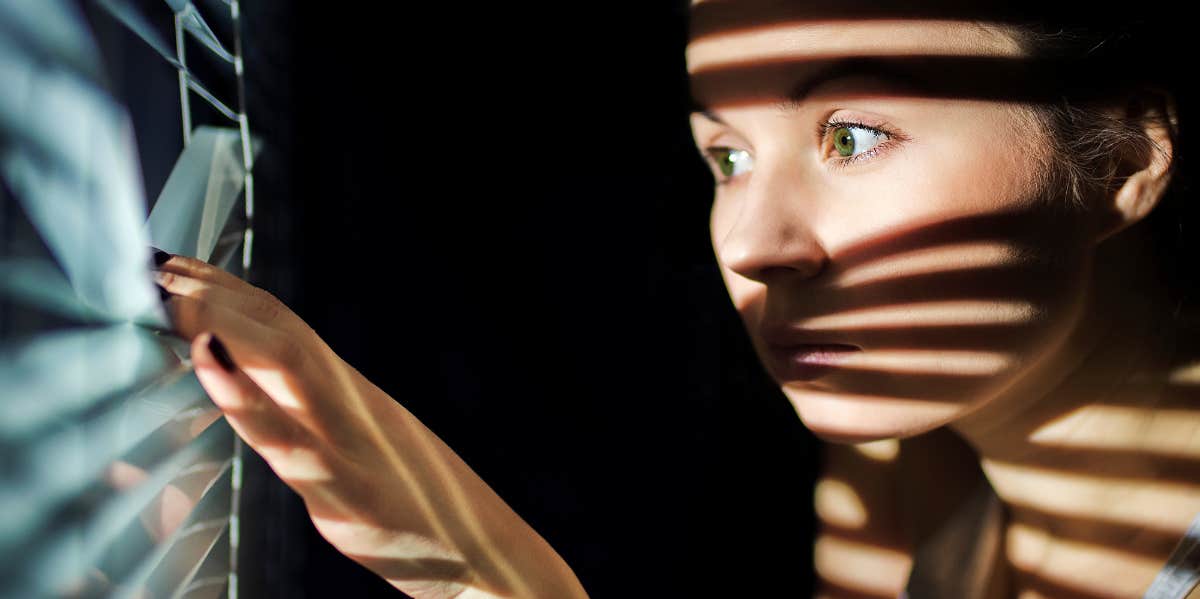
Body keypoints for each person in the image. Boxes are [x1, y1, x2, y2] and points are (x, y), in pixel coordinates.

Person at [151, 2, 1198, 598]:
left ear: (1124, 159)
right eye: (727, 155)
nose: (751, 244)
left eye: (855, 136)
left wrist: (498, 579)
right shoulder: (899, 481)